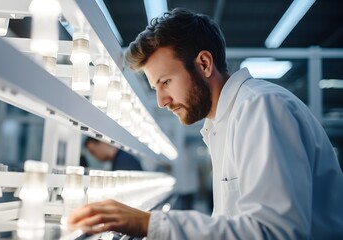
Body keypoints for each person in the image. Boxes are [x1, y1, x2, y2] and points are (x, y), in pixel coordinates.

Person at [67, 8, 343, 239]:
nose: (162, 100)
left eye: (165, 82)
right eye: (156, 88)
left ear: (204, 63)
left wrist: (150, 224)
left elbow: (275, 232)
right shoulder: (223, 122)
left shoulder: (259, 107)